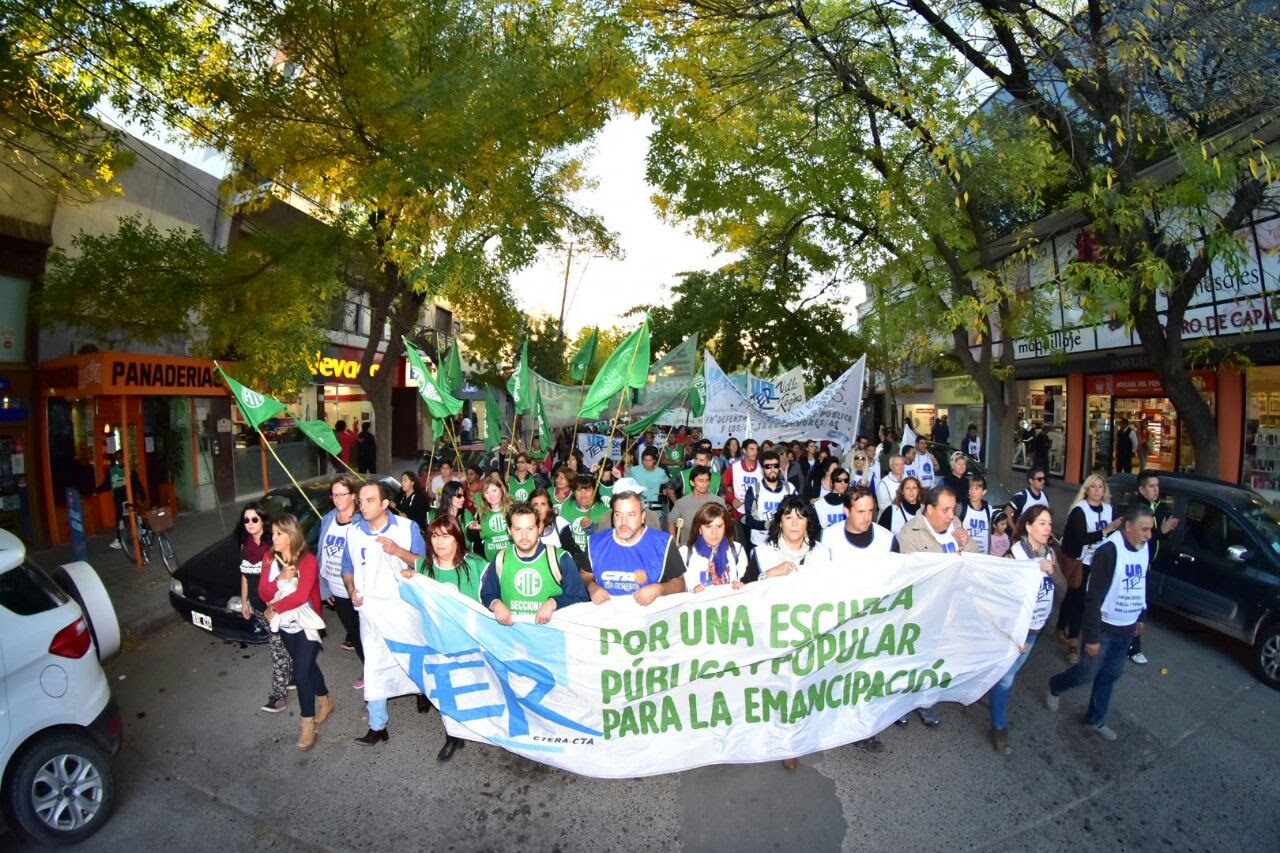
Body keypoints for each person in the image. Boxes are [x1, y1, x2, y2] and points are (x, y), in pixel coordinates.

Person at [1046, 503, 1155, 742]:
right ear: (1128, 527)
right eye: (1144, 529)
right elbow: (1093, 597)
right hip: (1104, 629)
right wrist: (1093, 637)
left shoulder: (1144, 547)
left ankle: (1095, 719)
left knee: (1110, 675)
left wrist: (1141, 616)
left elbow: (1141, 583)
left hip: (1126, 628)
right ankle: (1056, 685)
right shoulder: (1108, 551)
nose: (1149, 535)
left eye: (1151, 529)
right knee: (1086, 673)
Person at [342, 480, 425, 746]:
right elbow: (347, 567)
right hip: (371, 609)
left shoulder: (407, 528)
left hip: (403, 609)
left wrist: (398, 551)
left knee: (412, 657)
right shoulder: (354, 532)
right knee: (374, 665)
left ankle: (422, 692)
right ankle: (378, 726)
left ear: (385, 504)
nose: (362, 506)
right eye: (361, 500)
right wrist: (352, 588)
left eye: (369, 500)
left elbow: (424, 564)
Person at [892, 484, 978, 728]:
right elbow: (912, 576)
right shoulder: (910, 533)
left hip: (950, 609)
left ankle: (926, 703)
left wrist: (967, 543)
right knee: (911, 660)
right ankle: (902, 704)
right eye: (946, 510)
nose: (952, 515)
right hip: (921, 611)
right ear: (929, 510)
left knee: (935, 661)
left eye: (953, 509)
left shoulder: (956, 525)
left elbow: (974, 557)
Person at [409, 513, 487, 761]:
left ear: (457, 538)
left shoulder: (476, 566)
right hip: (438, 644)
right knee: (446, 695)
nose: (440, 542)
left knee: (476, 691)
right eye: (434, 536)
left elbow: (491, 600)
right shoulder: (422, 568)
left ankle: (485, 730)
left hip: (471, 644)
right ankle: (453, 735)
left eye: (446, 536)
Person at [988, 505, 1058, 754]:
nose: (1047, 528)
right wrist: (1015, 635)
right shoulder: (1014, 556)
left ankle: (990, 685)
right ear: (1027, 526)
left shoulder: (1049, 552)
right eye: (1041, 523)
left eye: (1049, 523)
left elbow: (1056, 587)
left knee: (1008, 674)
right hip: (1017, 631)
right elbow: (1003, 597)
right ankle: (999, 728)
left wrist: (1051, 569)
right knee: (1006, 679)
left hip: (1035, 630)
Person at [260, 513, 333, 750]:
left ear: (291, 535)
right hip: (285, 625)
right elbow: (262, 591)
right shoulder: (269, 559)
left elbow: (301, 596)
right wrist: (281, 578)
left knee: (300, 674)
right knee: (308, 666)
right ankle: (325, 701)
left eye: (279, 534)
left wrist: (274, 607)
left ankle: (307, 723)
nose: (274, 538)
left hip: (307, 625)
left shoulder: (308, 560)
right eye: (272, 533)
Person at [1057, 474, 1123, 664]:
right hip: (1082, 562)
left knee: (1078, 599)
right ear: (1086, 489)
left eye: (1100, 487)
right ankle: (1073, 643)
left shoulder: (1109, 510)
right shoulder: (1080, 510)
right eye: (1093, 487)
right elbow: (1080, 538)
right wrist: (1105, 531)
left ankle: (1061, 627)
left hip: (1099, 563)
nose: (1097, 490)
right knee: (1077, 600)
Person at [582, 491, 686, 604]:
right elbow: (585, 575)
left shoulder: (663, 543)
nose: (623, 522)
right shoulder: (595, 543)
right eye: (618, 514)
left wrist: (659, 589)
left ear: (642, 517)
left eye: (630, 515)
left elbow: (680, 584)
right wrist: (592, 587)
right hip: (608, 617)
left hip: (649, 618)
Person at [237, 503, 293, 713]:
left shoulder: (272, 547)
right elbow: (244, 576)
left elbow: (286, 577)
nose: (250, 524)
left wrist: (275, 605)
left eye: (254, 519)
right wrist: (244, 602)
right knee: (283, 645)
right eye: (246, 520)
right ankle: (293, 675)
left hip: (274, 607)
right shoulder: (245, 546)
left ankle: (279, 696)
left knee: (277, 649)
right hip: (257, 606)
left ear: (262, 521)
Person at [1128, 469, 1180, 665]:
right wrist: (1160, 532)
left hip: (1149, 563)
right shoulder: (1137, 509)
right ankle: (1133, 647)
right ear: (1141, 489)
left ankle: (1131, 643)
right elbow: (1141, 538)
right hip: (1135, 563)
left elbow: (1157, 535)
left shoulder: (1157, 507)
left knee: (1141, 603)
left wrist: (1167, 530)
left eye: (1157, 486)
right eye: (1152, 486)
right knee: (1135, 603)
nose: (1156, 490)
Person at [318, 476, 363, 669]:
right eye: (334, 495)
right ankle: (368, 669)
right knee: (353, 633)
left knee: (366, 636)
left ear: (353, 495)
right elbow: (321, 554)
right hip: (337, 590)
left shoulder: (362, 521)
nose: (337, 499)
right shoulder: (328, 519)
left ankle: (373, 675)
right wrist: (325, 589)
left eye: (341, 494)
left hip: (358, 589)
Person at [744, 495, 833, 583]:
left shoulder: (822, 553)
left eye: (800, 518)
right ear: (780, 523)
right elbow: (744, 586)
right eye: (788, 518)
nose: (794, 523)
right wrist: (770, 573)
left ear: (808, 523)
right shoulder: (763, 553)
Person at [681, 502, 750, 590]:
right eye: (708, 527)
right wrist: (693, 591)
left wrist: (741, 585)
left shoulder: (737, 550)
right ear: (699, 529)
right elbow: (681, 590)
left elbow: (745, 583)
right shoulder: (685, 553)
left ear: (725, 528)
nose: (714, 532)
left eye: (719, 526)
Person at [742, 450, 797, 548]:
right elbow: (749, 519)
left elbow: (798, 512)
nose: (772, 470)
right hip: (759, 543)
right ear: (762, 469)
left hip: (784, 542)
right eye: (768, 467)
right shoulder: (754, 490)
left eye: (775, 466)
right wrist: (771, 525)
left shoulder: (789, 488)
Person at [823, 487, 894, 561]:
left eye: (870, 511)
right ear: (846, 511)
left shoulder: (888, 539)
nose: (867, 518)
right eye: (861, 512)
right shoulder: (826, 538)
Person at [98, 451, 146, 551]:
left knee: (136, 514)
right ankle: (119, 540)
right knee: (120, 519)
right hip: (119, 499)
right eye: (117, 458)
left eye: (121, 457)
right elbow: (107, 484)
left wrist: (143, 495)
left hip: (129, 498)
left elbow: (137, 485)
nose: (119, 460)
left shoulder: (130, 471)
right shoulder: (112, 471)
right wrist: (97, 490)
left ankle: (142, 528)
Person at [558, 475, 609, 553]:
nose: (583, 495)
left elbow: (606, 542)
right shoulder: (565, 507)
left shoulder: (604, 511)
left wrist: (593, 530)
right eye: (578, 490)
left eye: (587, 490)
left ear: (595, 491)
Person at [725, 439, 763, 540]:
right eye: (751, 449)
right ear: (744, 451)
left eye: (756, 449)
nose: (755, 452)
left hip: (759, 512)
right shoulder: (734, 468)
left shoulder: (762, 467)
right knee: (742, 543)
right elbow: (722, 485)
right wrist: (732, 499)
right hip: (739, 512)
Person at [469, 476, 513, 562]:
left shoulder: (512, 508)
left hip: (511, 559)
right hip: (490, 560)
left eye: (494, 490)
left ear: (501, 489)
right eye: (486, 492)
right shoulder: (481, 511)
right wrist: (475, 529)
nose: (491, 496)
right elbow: (474, 538)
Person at [630, 446, 677, 528]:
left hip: (655, 506)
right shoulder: (634, 470)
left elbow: (669, 482)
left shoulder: (660, 472)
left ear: (654, 460)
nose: (647, 463)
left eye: (649, 460)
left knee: (655, 531)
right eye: (644, 460)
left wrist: (665, 488)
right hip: (639, 505)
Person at [957, 475, 995, 555]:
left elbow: (988, 534)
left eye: (977, 489)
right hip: (966, 554)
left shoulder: (988, 509)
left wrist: (988, 554)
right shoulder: (961, 507)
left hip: (982, 555)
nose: (972, 492)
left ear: (984, 492)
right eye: (971, 488)